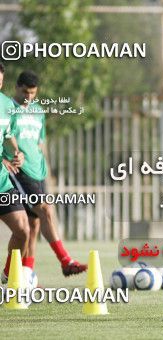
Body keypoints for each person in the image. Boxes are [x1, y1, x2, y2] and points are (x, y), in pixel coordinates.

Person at [1, 70, 87, 282]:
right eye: (25, 92)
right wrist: (7, 158)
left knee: (34, 225)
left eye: (33, 93)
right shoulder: (10, 108)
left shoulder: (38, 111)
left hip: (38, 171)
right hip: (18, 173)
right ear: (16, 88)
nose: (29, 97)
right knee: (45, 211)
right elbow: (6, 138)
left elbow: (39, 143)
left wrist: (37, 163)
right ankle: (65, 261)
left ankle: (28, 274)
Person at [0, 63, 31, 279]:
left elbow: (8, 135)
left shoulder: (5, 105)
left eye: (0, 81)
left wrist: (16, 153)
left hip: (1, 182)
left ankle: (8, 276)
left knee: (23, 230)